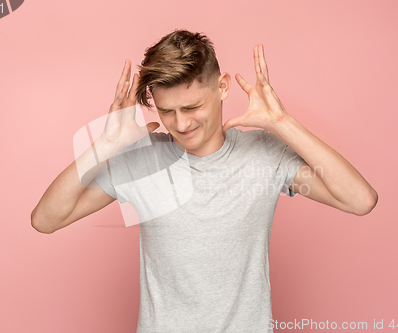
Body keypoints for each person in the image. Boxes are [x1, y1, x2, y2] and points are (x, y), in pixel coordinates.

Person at [31, 29, 378, 333]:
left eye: (192, 106)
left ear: (222, 87)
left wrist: (282, 123)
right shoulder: (143, 161)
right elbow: (46, 220)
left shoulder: (265, 155)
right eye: (167, 111)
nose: (181, 124)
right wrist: (104, 145)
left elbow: (359, 199)